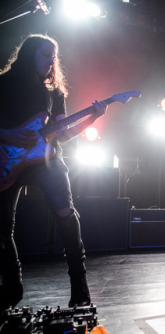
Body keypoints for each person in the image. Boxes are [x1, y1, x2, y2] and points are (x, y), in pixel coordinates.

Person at [0, 34, 108, 309]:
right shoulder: (5, 83)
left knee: (66, 216)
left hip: (46, 161)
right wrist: (8, 136)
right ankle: (12, 289)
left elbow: (63, 134)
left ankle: (80, 290)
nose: (51, 61)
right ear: (29, 54)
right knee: (2, 229)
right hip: (6, 160)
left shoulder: (54, 93)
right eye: (46, 55)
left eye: (54, 57)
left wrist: (93, 117)